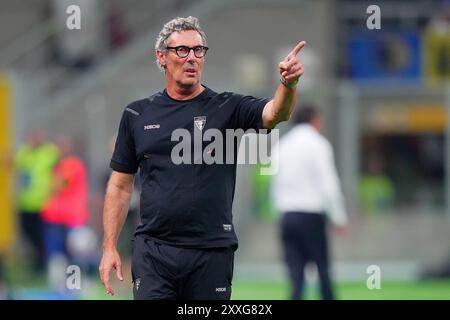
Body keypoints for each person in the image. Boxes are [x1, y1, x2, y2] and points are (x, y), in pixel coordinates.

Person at [99, 16, 305, 300]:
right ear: (162, 57)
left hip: (211, 252)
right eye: (182, 50)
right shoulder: (137, 114)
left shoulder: (227, 107)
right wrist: (109, 246)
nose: (191, 58)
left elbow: (274, 114)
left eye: (198, 50)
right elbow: (120, 186)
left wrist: (287, 84)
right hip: (154, 252)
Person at [271, 105, 348, 300]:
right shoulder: (318, 144)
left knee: (296, 275)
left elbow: (275, 182)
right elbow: (328, 183)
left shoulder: (282, 145)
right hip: (311, 216)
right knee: (322, 268)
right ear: (314, 120)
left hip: (287, 215)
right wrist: (339, 217)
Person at [15, 131, 60, 273]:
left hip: (43, 204)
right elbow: (13, 162)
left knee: (42, 235)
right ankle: (38, 259)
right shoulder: (25, 153)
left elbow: (60, 164)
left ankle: (42, 264)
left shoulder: (48, 153)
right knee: (26, 231)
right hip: (26, 202)